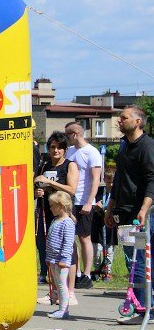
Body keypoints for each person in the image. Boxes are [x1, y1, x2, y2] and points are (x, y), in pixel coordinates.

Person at [106, 105, 154, 322]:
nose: (119, 121)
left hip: (141, 214)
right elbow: (118, 180)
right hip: (124, 213)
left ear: (137, 122)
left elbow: (152, 180)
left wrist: (144, 209)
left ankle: (144, 309)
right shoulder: (124, 146)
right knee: (131, 261)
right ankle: (141, 306)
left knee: (141, 261)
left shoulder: (147, 146)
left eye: (123, 118)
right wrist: (110, 207)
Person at [34, 132, 78, 301]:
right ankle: (54, 291)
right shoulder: (44, 166)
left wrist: (51, 183)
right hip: (47, 211)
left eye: (59, 147)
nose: (56, 150)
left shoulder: (70, 165)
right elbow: (38, 186)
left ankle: (70, 292)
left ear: (65, 150)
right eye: (52, 147)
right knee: (50, 252)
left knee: (68, 252)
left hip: (65, 214)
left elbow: (72, 189)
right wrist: (38, 191)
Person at [64, 122, 103, 290]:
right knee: (70, 238)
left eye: (67, 135)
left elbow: (96, 179)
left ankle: (87, 274)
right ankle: (77, 272)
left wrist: (89, 201)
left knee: (84, 237)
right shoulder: (71, 152)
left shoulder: (91, 152)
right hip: (72, 200)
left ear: (75, 134)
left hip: (85, 201)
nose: (66, 138)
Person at [44, 191, 76, 321]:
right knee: (58, 284)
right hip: (53, 259)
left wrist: (64, 259)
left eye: (52, 206)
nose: (50, 208)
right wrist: (48, 258)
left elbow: (68, 244)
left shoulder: (67, 223)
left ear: (61, 206)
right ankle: (61, 308)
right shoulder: (55, 221)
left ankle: (64, 310)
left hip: (61, 261)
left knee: (62, 284)